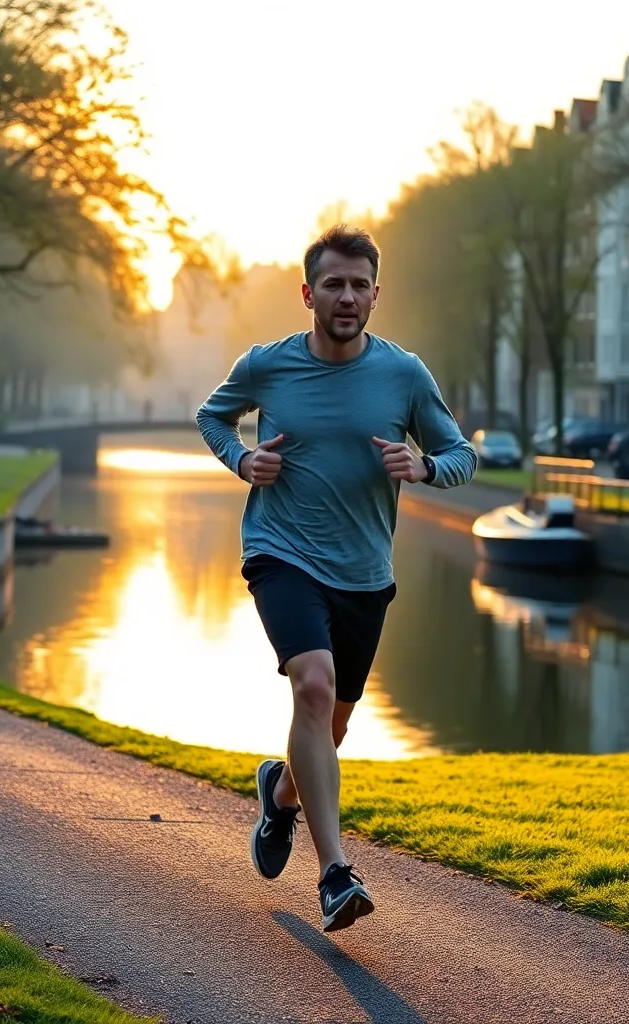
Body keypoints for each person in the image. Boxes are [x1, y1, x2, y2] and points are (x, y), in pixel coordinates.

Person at [196, 225, 477, 932]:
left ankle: (281, 794)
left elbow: (461, 453)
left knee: (334, 720)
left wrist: (427, 467)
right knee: (314, 688)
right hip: (281, 552)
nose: (346, 296)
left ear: (376, 295)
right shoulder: (267, 365)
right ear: (308, 293)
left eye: (359, 285)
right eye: (333, 284)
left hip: (364, 573)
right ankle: (334, 875)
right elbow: (212, 416)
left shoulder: (404, 374)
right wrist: (242, 460)